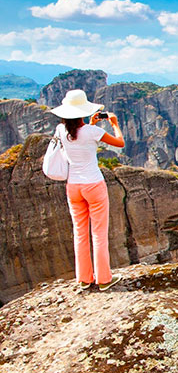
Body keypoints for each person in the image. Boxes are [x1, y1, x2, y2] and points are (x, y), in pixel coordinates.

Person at [50, 89, 125, 291]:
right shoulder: (92, 132)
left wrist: (91, 125)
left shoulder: (60, 130)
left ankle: (84, 279)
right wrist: (115, 124)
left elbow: (77, 138)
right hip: (94, 185)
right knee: (99, 233)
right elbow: (120, 143)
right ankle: (104, 279)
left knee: (80, 232)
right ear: (83, 110)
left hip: (73, 187)